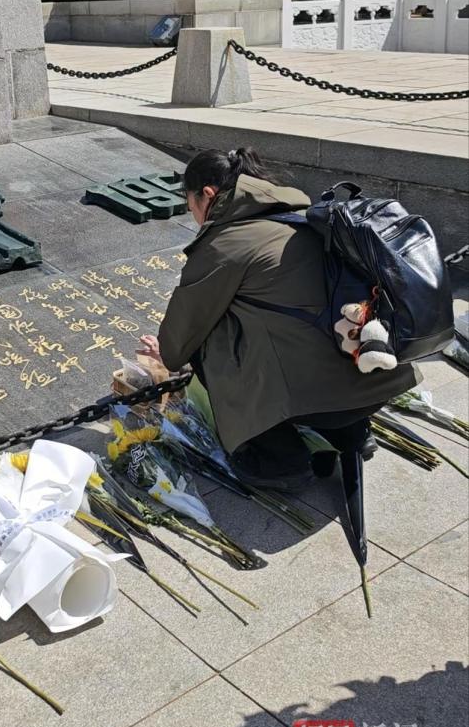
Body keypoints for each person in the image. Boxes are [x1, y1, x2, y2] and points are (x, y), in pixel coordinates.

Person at [140, 147, 420, 491]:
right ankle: (352, 433)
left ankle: (279, 460)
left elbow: (182, 336)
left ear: (208, 195)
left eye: (191, 204)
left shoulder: (225, 243)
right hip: (379, 378)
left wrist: (168, 352)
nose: (193, 213)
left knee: (212, 345)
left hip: (322, 398)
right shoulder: (307, 214)